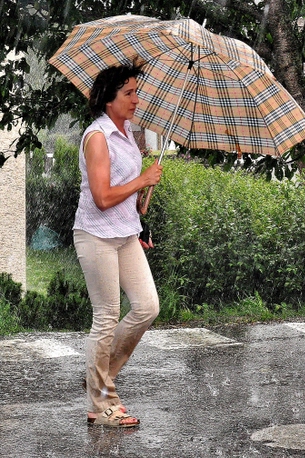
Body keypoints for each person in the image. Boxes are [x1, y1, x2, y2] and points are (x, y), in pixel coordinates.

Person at [73, 63, 163, 427]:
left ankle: (99, 378)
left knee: (147, 307)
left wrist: (140, 214)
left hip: (125, 234)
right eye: (129, 93)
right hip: (96, 236)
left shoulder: (125, 134)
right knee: (107, 316)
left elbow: (122, 196)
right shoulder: (98, 137)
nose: (136, 100)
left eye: (136, 92)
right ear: (109, 99)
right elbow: (102, 198)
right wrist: (142, 180)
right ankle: (102, 403)